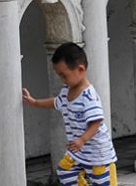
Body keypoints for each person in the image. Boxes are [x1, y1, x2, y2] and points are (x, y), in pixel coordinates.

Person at [22, 42, 118, 185]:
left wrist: (82, 140)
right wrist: (35, 102)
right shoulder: (66, 91)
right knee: (65, 171)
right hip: (79, 153)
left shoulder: (88, 96)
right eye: (59, 75)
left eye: (64, 75)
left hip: (98, 155)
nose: (62, 80)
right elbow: (55, 102)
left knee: (101, 181)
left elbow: (96, 122)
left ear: (81, 69)